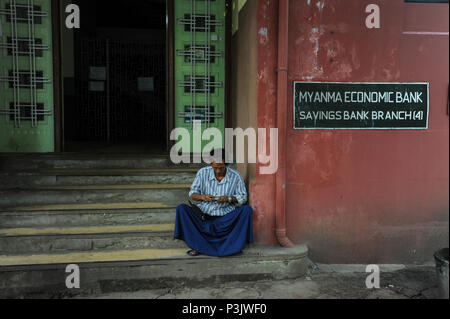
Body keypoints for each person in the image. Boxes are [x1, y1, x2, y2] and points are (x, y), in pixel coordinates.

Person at [174, 149, 253, 257]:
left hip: (225, 218)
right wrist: (202, 197)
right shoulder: (202, 173)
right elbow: (192, 193)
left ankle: (233, 247)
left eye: (221, 167)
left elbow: (243, 197)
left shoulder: (236, 176)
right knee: (182, 209)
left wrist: (229, 199)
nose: (218, 170)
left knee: (246, 210)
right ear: (211, 163)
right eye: (215, 167)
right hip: (204, 216)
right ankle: (198, 245)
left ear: (226, 163)